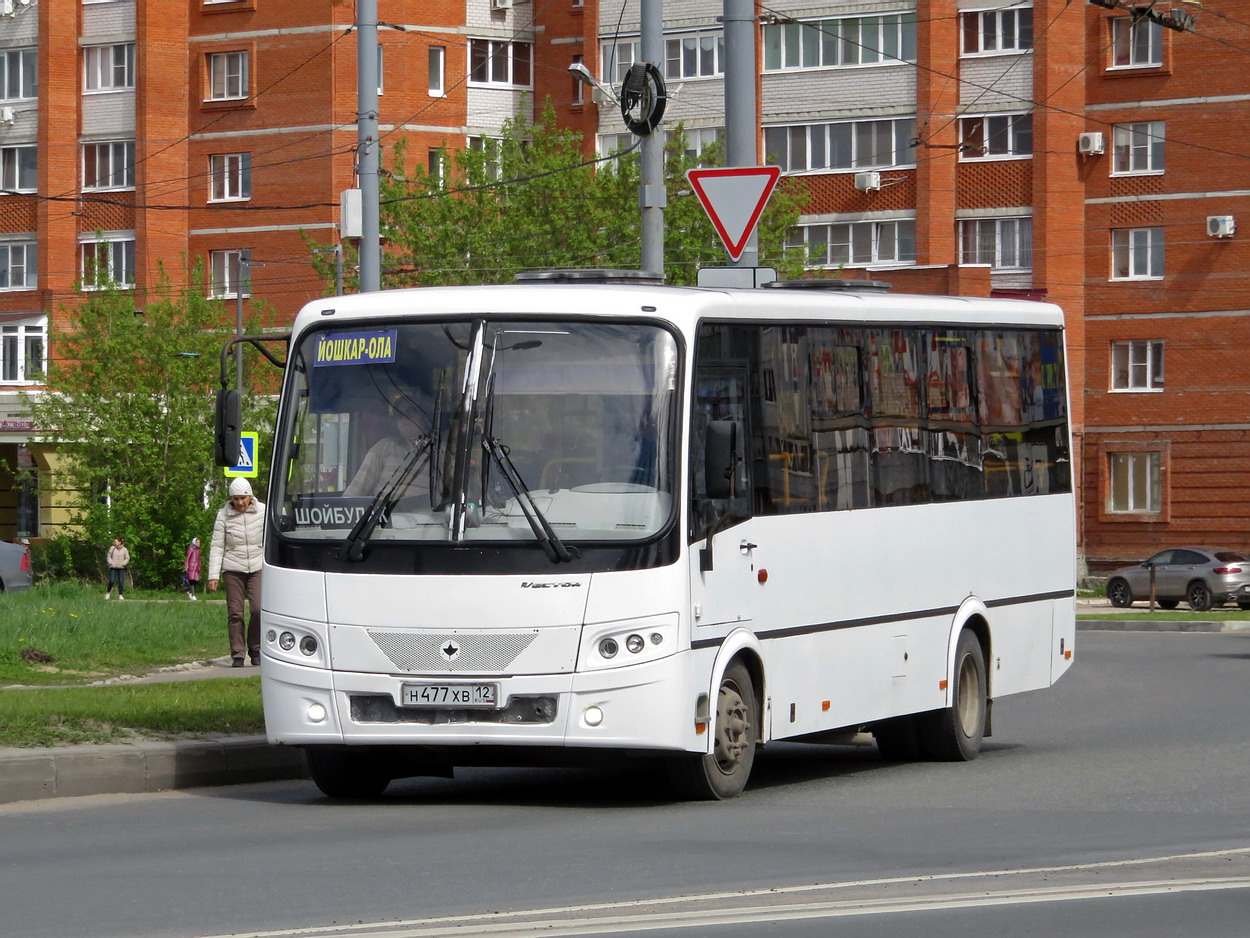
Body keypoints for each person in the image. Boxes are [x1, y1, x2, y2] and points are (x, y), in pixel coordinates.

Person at [208, 478, 264, 668]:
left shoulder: (263, 511)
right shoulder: (223, 515)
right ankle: (238, 654)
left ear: (250, 496)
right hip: (233, 568)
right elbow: (217, 546)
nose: (239, 503)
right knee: (235, 613)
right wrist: (213, 575)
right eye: (235, 499)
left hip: (257, 566)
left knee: (258, 608)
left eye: (242, 498)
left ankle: (255, 649)